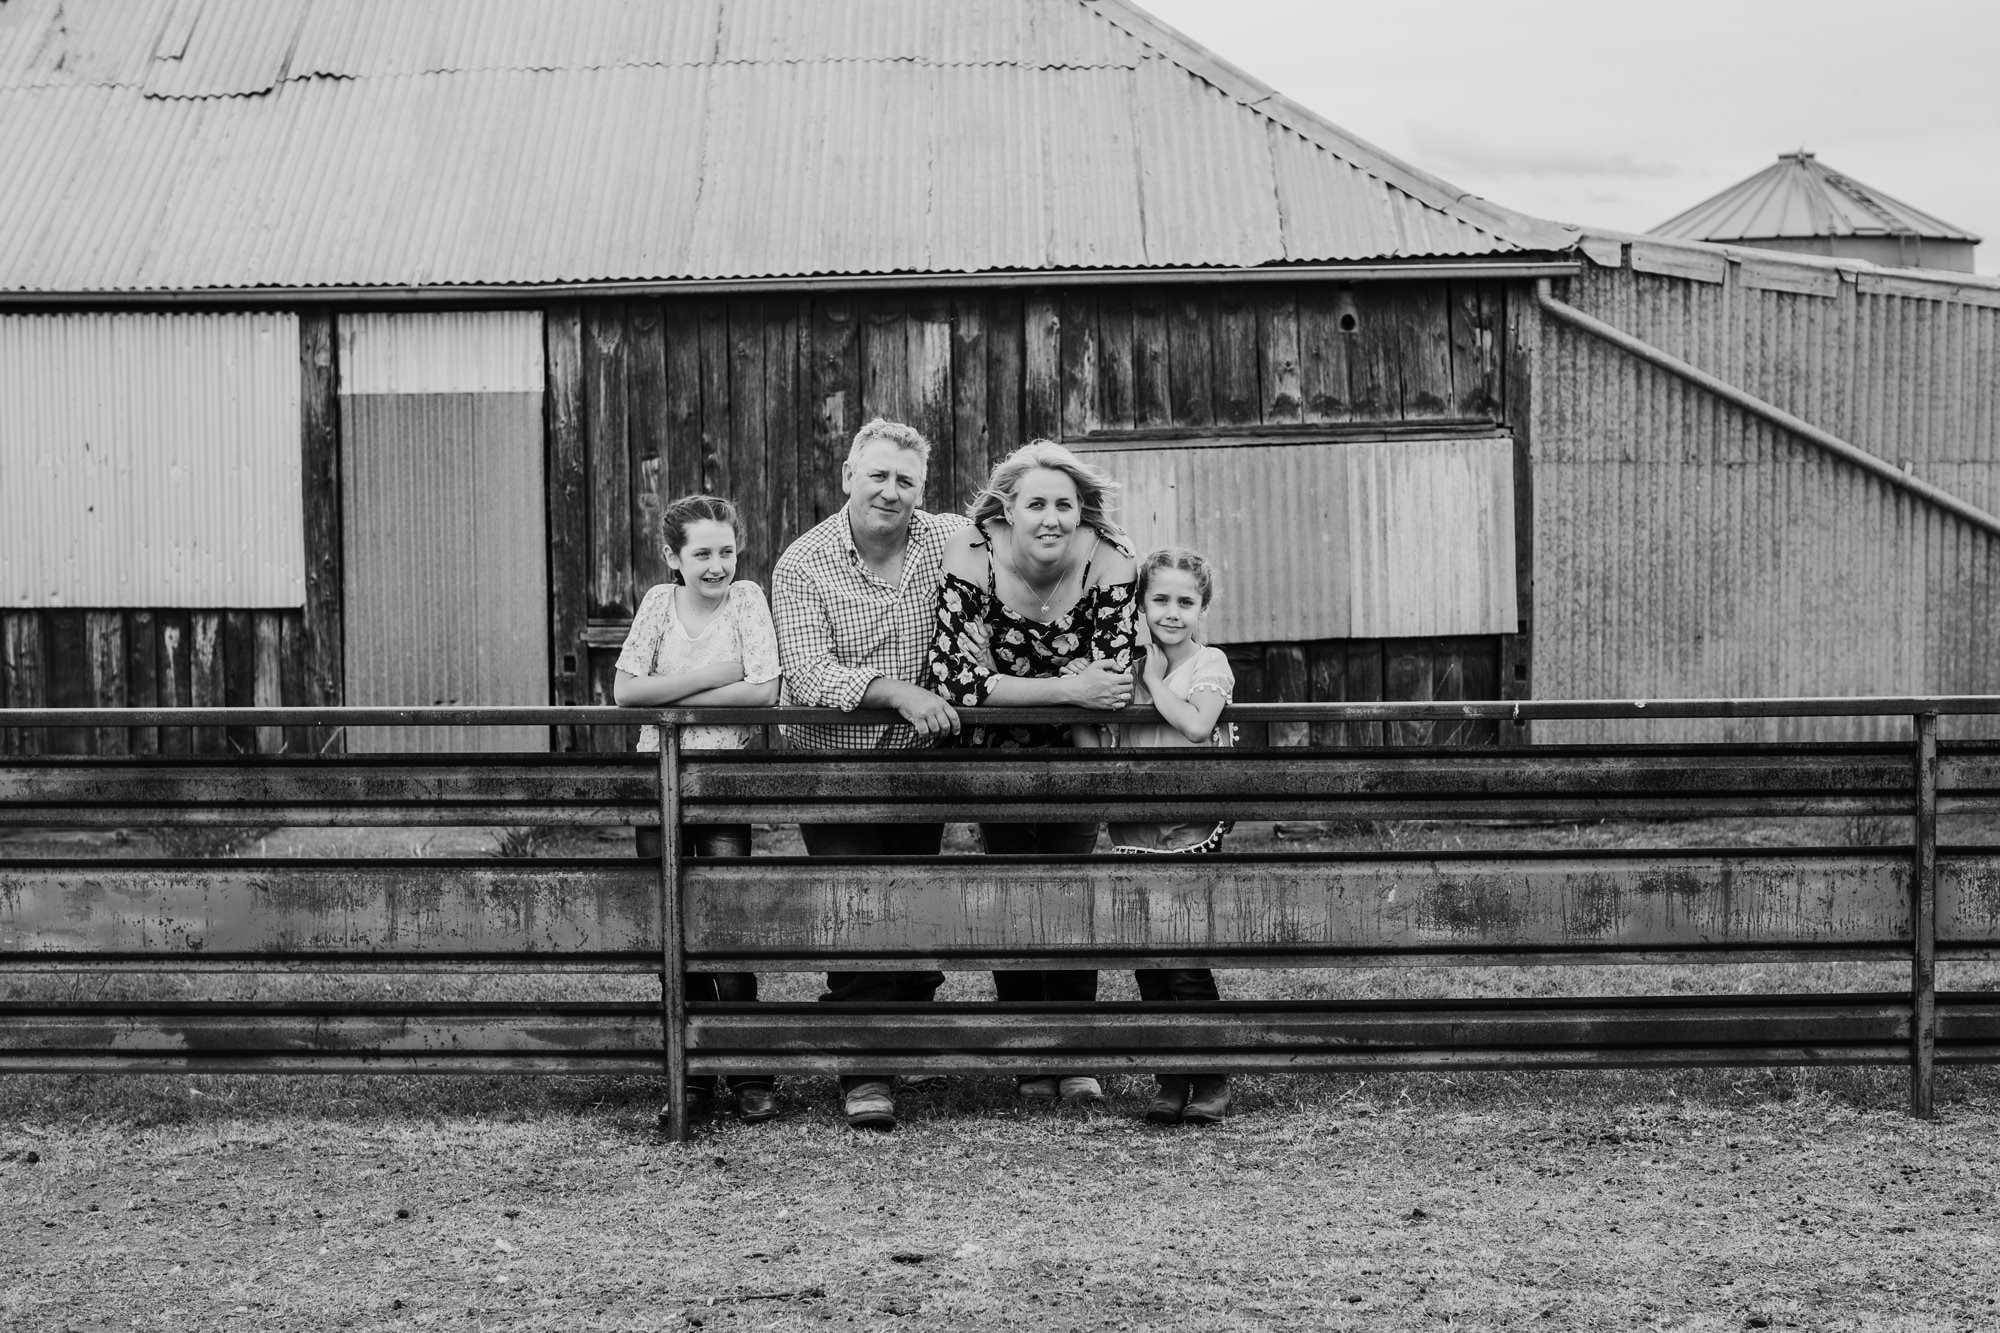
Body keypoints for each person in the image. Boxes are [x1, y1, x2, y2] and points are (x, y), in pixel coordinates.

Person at [770, 418, 968, 1133]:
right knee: (855, 904)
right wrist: (900, 692)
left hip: (920, 759)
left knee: (912, 900)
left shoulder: (949, 539)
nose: (891, 490)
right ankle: (864, 1070)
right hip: (833, 762)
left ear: (923, 488)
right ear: (849, 475)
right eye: (878, 474)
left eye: (906, 480)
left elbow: (1037, 530)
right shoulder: (804, 562)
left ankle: (904, 1044)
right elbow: (809, 673)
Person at [925, 439, 1136, 1107]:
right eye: (1036, 504)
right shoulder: (973, 553)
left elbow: (1113, 683)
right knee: (1012, 893)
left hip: (1079, 751)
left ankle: (1074, 1055)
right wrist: (1068, 687)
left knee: (1072, 894)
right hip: (998, 752)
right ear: (1007, 510)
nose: (1051, 518)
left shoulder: (1111, 559)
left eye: (1064, 505)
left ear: (1082, 510)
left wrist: (1002, 677)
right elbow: (952, 681)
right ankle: (1027, 1052)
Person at [614, 494, 784, 1126]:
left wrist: (668, 698)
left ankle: (748, 1073)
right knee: (673, 932)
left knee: (727, 927)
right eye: (703, 553)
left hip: (720, 785)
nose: (717, 565)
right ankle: (691, 1076)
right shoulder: (659, 605)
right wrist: (716, 675)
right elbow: (626, 690)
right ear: (674, 557)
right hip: (658, 785)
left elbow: (764, 690)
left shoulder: (747, 600)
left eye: (727, 551)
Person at [1080, 547, 1236, 1126]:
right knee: (1148, 960)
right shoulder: (1125, 668)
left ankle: (1212, 1077)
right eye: (1160, 600)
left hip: (1186, 829)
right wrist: (1079, 702)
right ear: (1142, 605)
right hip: (1135, 828)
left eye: (1185, 602)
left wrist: (1150, 679)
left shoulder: (1208, 664)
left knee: (1184, 962)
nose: (1172, 612)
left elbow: (1196, 725)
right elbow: (1096, 745)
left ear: (1202, 609)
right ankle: (1170, 1077)